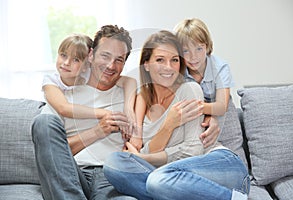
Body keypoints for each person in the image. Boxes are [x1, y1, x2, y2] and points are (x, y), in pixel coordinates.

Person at [103, 30, 250, 200]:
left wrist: (145, 157)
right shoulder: (141, 99)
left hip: (220, 166)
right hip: (174, 178)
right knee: (114, 163)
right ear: (146, 65)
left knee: (158, 179)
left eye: (174, 60)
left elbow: (193, 150)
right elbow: (141, 149)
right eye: (160, 60)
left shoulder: (189, 90)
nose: (168, 67)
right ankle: (171, 192)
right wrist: (168, 126)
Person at [31, 25, 137, 200]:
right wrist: (97, 131)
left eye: (119, 59)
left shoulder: (129, 94)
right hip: (69, 173)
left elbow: (143, 143)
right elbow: (52, 153)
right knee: (43, 122)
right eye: (105, 55)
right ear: (91, 55)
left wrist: (129, 109)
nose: (111, 65)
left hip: (109, 176)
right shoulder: (63, 96)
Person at [41, 33, 137, 140]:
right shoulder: (51, 81)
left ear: (86, 64)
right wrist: (108, 114)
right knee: (42, 122)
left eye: (76, 59)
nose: (67, 63)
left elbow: (129, 81)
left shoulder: (89, 74)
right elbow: (63, 108)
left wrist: (128, 109)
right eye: (63, 55)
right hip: (53, 114)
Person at [175, 18, 234, 122]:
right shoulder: (178, 70)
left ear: (207, 47)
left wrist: (194, 107)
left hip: (220, 120)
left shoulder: (220, 67)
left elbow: (221, 107)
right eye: (186, 51)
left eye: (199, 49)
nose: (193, 57)